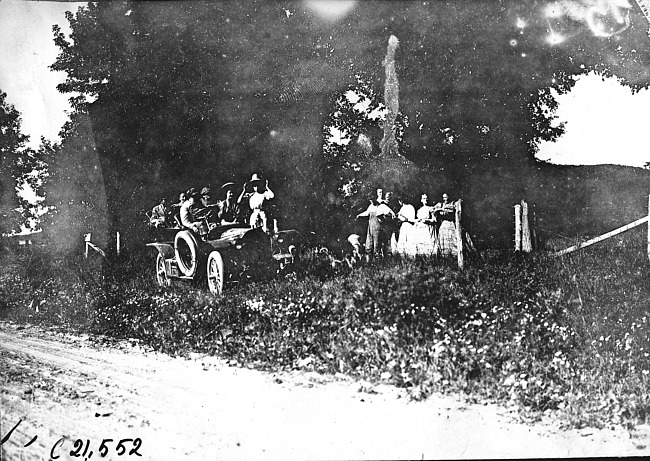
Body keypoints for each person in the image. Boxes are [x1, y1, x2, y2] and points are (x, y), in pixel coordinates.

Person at [433, 193, 457, 257]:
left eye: (446, 197)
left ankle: (454, 255)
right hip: (444, 223)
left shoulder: (452, 203)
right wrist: (436, 210)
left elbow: (452, 210)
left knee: (452, 239)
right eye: (443, 198)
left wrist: (441, 209)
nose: (445, 199)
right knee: (443, 239)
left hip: (450, 223)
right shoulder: (441, 204)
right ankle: (445, 255)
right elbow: (432, 209)